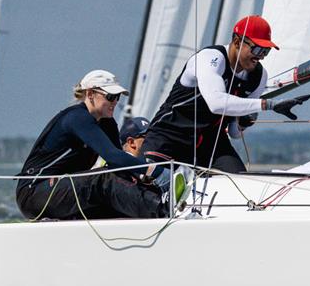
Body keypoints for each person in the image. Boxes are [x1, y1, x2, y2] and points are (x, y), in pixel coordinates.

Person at [141, 15, 310, 173]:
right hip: (170, 135)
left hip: (211, 142)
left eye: (266, 52)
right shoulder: (211, 58)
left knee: (239, 185)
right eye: (258, 50)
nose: (261, 57)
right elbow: (217, 104)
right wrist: (269, 105)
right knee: (152, 186)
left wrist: (244, 121)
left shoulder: (259, 77)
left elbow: (234, 133)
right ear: (237, 42)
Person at [16, 70, 185, 220]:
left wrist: (146, 182)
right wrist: (157, 171)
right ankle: (164, 211)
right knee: (104, 178)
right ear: (90, 94)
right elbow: (113, 156)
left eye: (117, 97)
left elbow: (119, 166)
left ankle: (162, 209)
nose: (115, 102)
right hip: (34, 193)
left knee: (118, 191)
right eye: (110, 97)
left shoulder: (107, 123)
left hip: (62, 190)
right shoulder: (77, 117)